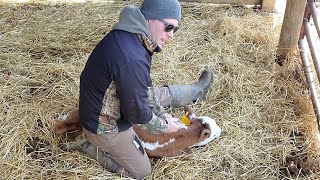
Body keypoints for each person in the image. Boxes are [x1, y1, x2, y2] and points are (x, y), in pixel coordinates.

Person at [66, 0, 213, 179]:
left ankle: (197, 90)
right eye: (168, 27)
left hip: (108, 99)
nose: (171, 35)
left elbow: (145, 85)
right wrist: (165, 126)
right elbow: (138, 116)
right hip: (104, 126)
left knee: (159, 96)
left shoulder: (132, 36)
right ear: (150, 19)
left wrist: (163, 114)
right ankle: (91, 147)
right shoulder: (131, 57)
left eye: (175, 29)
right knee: (141, 171)